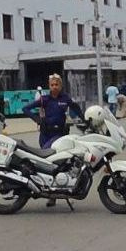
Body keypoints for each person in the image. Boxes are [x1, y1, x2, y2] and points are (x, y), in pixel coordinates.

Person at [22, 75, 84, 207]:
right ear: (49, 86)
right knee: (46, 165)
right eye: (52, 85)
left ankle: (60, 191)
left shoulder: (65, 99)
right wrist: (37, 120)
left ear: (60, 86)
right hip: (46, 135)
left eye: (57, 85)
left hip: (60, 135)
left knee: (59, 165)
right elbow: (25, 109)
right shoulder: (44, 99)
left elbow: (76, 108)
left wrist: (84, 119)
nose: (54, 87)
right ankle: (50, 196)